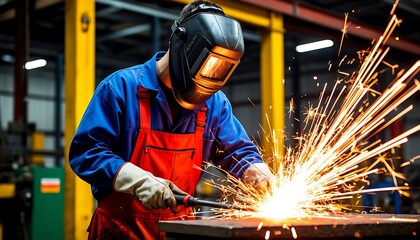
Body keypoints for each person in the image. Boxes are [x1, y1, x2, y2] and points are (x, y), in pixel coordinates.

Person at [69, 0, 273, 239]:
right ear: (181, 42)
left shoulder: (215, 103)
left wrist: (256, 171)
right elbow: (87, 152)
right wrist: (137, 181)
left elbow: (235, 151)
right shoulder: (120, 88)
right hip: (120, 229)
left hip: (180, 230)